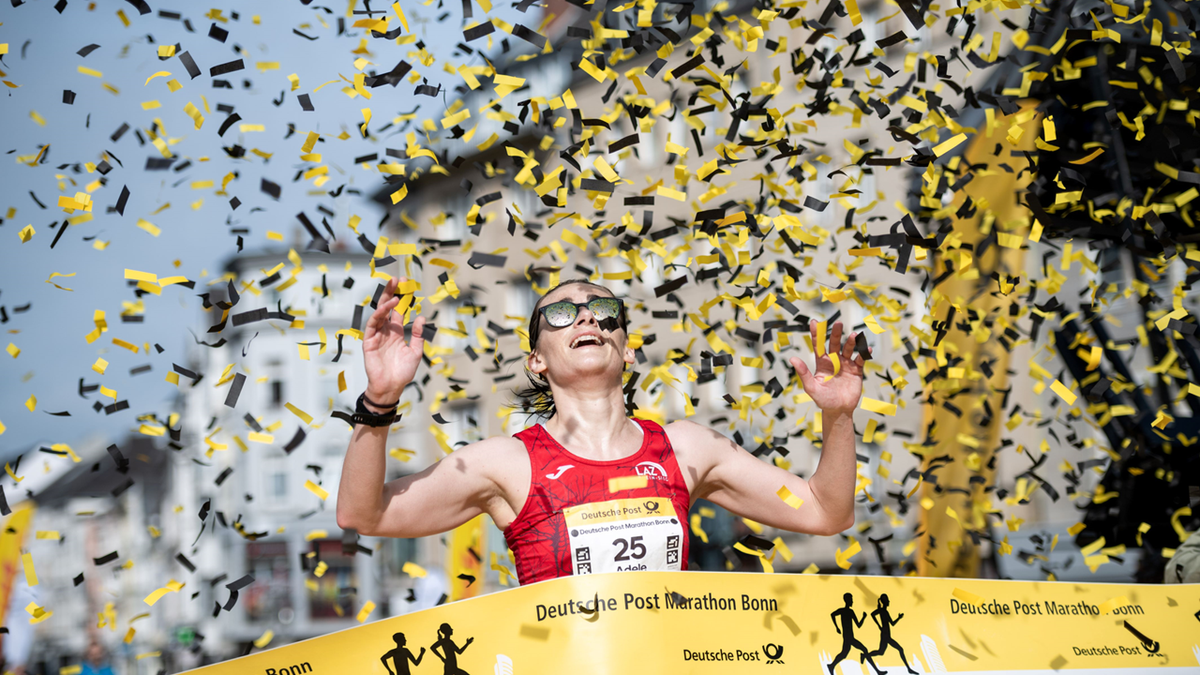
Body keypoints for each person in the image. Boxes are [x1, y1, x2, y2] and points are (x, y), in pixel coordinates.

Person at [338, 277, 868, 584]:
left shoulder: (684, 448)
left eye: (604, 310)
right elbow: (363, 514)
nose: (588, 319)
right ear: (536, 361)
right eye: (563, 313)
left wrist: (838, 418)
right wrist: (380, 399)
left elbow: (825, 512)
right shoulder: (506, 463)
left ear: (628, 349)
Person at [828, 593, 880, 675]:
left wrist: (863, 617)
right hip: (849, 638)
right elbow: (832, 615)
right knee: (864, 650)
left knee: (844, 654)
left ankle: (831, 666)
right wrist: (837, 627)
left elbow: (858, 625)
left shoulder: (850, 611)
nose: (852, 601)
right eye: (851, 599)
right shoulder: (844, 611)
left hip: (848, 637)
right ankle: (877, 671)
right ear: (847, 600)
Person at [866, 593, 917, 674]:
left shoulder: (885, 611)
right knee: (899, 649)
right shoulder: (882, 611)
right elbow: (872, 614)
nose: (889, 601)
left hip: (886, 635)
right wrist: (879, 625)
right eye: (887, 600)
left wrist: (899, 618)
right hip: (885, 635)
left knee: (881, 652)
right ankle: (909, 669)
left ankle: (865, 655)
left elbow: (892, 623)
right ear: (885, 602)